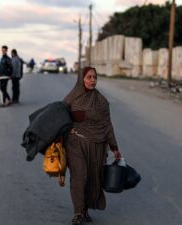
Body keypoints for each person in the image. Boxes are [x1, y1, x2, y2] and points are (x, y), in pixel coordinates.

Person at [63, 67, 122, 225]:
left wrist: (114, 148)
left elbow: (107, 126)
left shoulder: (101, 101)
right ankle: (78, 212)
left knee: (92, 178)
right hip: (75, 144)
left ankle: (85, 209)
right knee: (79, 176)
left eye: (95, 77)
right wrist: (68, 129)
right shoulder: (71, 98)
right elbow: (60, 117)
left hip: (97, 146)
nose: (92, 80)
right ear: (81, 79)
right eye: (88, 77)